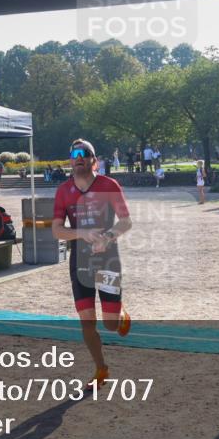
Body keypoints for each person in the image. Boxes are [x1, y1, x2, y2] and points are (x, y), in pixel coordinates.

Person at [51, 139, 132, 387]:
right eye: (74, 153)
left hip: (107, 259)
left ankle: (119, 313)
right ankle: (101, 369)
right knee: (87, 321)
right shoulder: (64, 190)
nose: (79, 157)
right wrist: (80, 234)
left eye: (84, 153)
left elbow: (126, 221)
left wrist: (107, 237)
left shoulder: (109, 185)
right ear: (70, 159)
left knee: (109, 325)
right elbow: (56, 230)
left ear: (93, 160)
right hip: (80, 261)